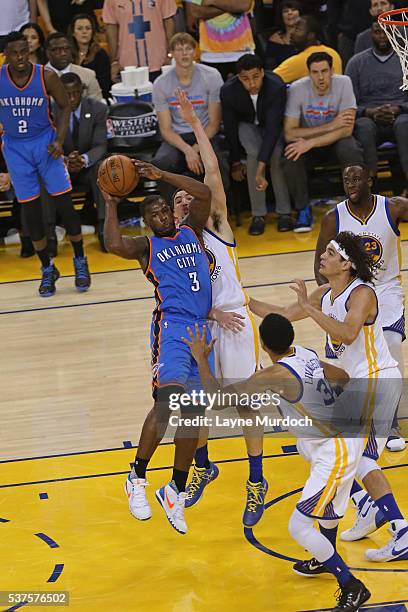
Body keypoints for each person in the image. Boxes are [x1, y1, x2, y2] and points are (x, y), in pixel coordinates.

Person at [183, 315, 371, 612]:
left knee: (299, 527)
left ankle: (351, 585)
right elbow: (343, 377)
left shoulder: (273, 375)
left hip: (336, 448)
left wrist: (201, 359)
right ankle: (325, 557)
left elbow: (218, 400)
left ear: (263, 344)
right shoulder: (305, 354)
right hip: (341, 439)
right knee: (330, 508)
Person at [250, 232, 408, 565]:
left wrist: (310, 307)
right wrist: (241, 301)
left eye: (331, 252)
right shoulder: (325, 293)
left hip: (376, 381)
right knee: (319, 446)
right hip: (356, 386)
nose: (322, 255)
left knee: (357, 458)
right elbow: (281, 314)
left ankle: (400, 529)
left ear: (347, 264)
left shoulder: (362, 293)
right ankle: (366, 507)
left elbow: (347, 333)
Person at [102, 160, 213, 535]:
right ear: (147, 222)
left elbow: (204, 193)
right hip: (173, 328)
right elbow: (113, 243)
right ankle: (136, 476)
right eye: (154, 213)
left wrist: (161, 175)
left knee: (195, 416)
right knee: (167, 403)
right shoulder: (146, 247)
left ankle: (176, 490)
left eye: (164, 208)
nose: (162, 214)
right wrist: (112, 203)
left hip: (203, 333)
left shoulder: (190, 232)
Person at [171, 89, 267, 527]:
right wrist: (207, 316)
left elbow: (211, 170)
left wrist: (193, 123)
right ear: (173, 214)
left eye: (190, 197)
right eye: (178, 201)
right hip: (203, 325)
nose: (186, 201)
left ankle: (256, 481)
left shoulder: (216, 225)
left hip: (236, 321)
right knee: (198, 402)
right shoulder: (173, 246)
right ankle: (205, 465)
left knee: (245, 403)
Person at [314, 163, 407, 454]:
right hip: (350, 290)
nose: (351, 183)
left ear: (371, 179)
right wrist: (333, 295)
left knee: (390, 344)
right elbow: (320, 264)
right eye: (346, 180)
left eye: (356, 178)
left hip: (386, 289)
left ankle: (390, 421)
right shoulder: (333, 217)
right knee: (347, 356)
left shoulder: (393, 208)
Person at [0, 31, 91, 297]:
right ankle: (47, 267)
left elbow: (64, 107)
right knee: (30, 213)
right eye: (13, 53)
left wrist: (60, 140)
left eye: (23, 52)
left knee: (65, 205)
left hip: (45, 145)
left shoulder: (46, 76)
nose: (19, 58)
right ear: (6, 55)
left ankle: (79, 259)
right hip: (15, 148)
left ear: (29, 50)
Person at [283, 52, 363, 232]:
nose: (320, 77)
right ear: (308, 73)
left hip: (335, 141)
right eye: (315, 72)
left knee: (351, 149)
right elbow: (289, 133)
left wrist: (310, 142)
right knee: (291, 154)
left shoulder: (344, 83)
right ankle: (303, 209)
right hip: (309, 143)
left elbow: (346, 130)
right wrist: (331, 125)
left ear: (332, 71)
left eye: (324, 71)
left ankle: (354, 205)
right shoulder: (297, 89)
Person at [220, 53, 291, 235]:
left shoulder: (276, 86)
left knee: (275, 154)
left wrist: (261, 170)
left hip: (270, 126)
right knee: (253, 152)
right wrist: (235, 162)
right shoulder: (228, 91)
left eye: (255, 77)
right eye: (245, 79)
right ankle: (258, 214)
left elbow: (274, 129)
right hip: (247, 124)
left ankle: (284, 212)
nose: (251, 83)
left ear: (262, 73)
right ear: (238, 78)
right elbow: (230, 129)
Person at [152, 32, 227, 203]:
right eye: (179, 49)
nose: (184, 53)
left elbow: (215, 123)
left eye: (188, 49)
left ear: (195, 51)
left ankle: (221, 210)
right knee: (161, 163)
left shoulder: (212, 76)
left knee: (220, 161)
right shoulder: (161, 84)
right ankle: (174, 210)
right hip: (177, 137)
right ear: (171, 53)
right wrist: (188, 150)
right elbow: (165, 129)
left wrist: (197, 149)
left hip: (205, 132)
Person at [43, 72, 108, 254]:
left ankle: (103, 228)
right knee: (45, 170)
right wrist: (65, 161)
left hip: (86, 166)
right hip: (60, 166)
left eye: (75, 93)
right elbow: (46, 145)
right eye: (66, 94)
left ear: (82, 91)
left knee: (101, 167)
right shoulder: (48, 112)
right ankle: (50, 233)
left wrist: (83, 160)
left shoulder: (98, 109)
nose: (71, 98)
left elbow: (101, 145)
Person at [345, 21, 408, 185]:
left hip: (401, 115)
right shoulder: (356, 63)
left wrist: (398, 108)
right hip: (369, 116)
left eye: (386, 32)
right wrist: (369, 112)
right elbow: (348, 103)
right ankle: (371, 185)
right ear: (370, 34)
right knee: (364, 126)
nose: (382, 36)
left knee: (405, 123)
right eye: (377, 32)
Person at [102, 0, 177, 83]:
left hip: (160, 62)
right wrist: (114, 62)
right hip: (127, 66)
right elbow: (111, 28)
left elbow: (168, 20)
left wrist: (171, 54)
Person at [184, 0, 255, 81]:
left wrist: (211, 1)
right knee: (213, 93)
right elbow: (197, 11)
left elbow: (244, 5)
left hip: (242, 52)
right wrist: (233, 6)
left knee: (244, 93)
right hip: (210, 55)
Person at [274, 15, 342, 84]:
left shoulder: (300, 60)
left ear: (310, 35)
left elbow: (269, 80)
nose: (292, 33)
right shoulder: (333, 53)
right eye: (293, 28)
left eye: (297, 29)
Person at [45, 32, 103, 101]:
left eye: (66, 48)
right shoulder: (37, 77)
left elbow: (97, 106)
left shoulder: (88, 75)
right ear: (47, 52)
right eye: (57, 49)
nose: (63, 53)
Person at [68, 13, 111, 101]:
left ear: (92, 32)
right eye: (80, 29)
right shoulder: (68, 55)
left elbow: (105, 85)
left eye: (88, 28)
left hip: (96, 99)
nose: (84, 32)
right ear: (73, 32)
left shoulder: (100, 54)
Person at [265, 0, 300, 70]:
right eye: (285, 11)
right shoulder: (275, 40)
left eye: (293, 10)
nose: (290, 13)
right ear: (281, 16)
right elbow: (270, 68)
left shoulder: (310, 35)